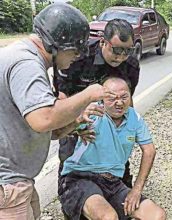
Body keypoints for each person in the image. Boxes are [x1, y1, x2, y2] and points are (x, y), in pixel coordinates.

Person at [0, 3, 115, 219]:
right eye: (75, 50)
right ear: (57, 44)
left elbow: (47, 130)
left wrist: (75, 122)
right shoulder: (26, 64)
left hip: (17, 181)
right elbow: (43, 118)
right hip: (8, 184)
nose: (78, 56)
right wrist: (89, 94)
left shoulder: (22, 56)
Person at [58, 77, 166, 220]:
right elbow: (60, 131)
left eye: (124, 97)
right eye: (112, 98)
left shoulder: (135, 118)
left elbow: (149, 151)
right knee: (108, 217)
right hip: (81, 178)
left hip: (113, 182)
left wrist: (136, 190)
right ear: (102, 98)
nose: (119, 102)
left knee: (157, 215)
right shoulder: (93, 113)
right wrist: (77, 123)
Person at [57, 18, 140, 188]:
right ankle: (70, 196)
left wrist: (128, 131)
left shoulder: (130, 65)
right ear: (103, 41)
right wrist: (76, 126)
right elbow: (61, 96)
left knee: (118, 157)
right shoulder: (78, 57)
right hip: (76, 117)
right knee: (72, 158)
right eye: (116, 50)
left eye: (127, 51)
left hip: (111, 120)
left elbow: (127, 101)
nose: (121, 56)